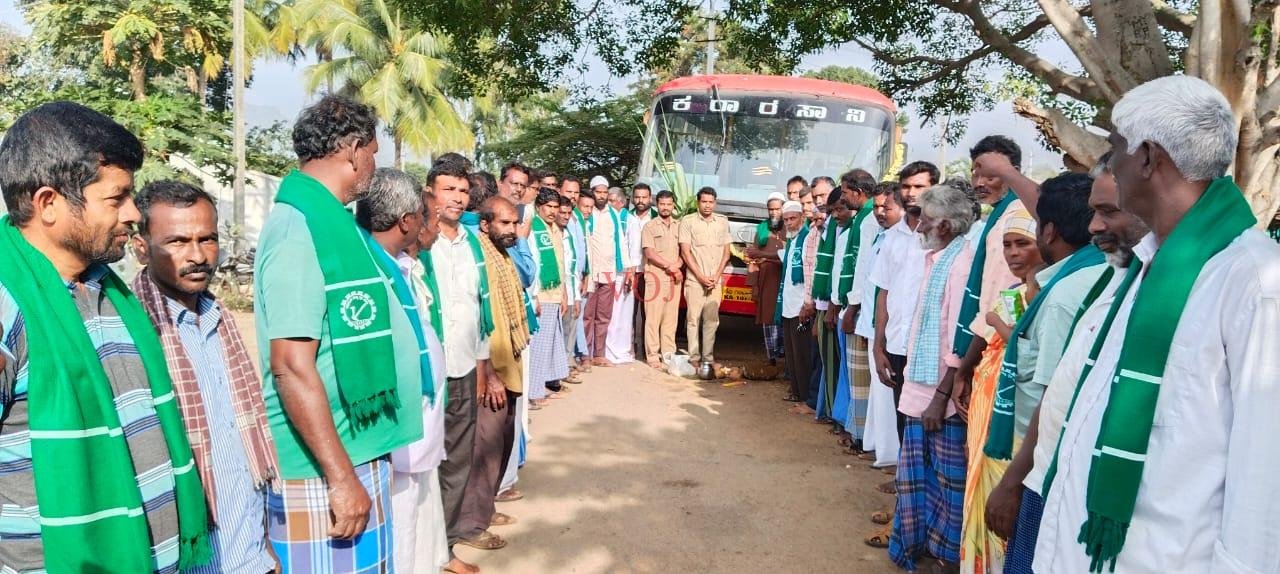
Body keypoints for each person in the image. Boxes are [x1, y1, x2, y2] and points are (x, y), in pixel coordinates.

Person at [1035, 76, 1280, 574]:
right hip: (1084, 551)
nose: (1111, 164)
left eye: (1116, 149)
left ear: (1148, 158)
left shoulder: (1253, 281)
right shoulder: (1148, 265)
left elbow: (1265, 472)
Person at [0, 102, 210, 573]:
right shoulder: (7, 303)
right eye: (116, 199)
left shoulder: (110, 291)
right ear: (49, 204)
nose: (134, 213)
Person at [255, 95, 424, 572]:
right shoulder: (298, 230)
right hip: (324, 469)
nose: (373, 163)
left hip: (354, 452)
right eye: (372, 151)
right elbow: (290, 366)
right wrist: (342, 478)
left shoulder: (329, 221)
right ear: (352, 150)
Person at [130, 181, 278, 574]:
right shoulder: (132, 332)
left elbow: (240, 445)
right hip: (185, 560)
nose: (197, 256)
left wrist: (261, 546)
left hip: (247, 552)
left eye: (207, 239)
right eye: (177, 242)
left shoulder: (220, 319)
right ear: (141, 247)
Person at [352, 168, 451, 574]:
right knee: (398, 520)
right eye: (424, 216)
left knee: (412, 513)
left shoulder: (396, 265)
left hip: (413, 421)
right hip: (393, 427)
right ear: (407, 221)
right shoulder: (370, 270)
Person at [888, 184, 977, 572]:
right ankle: (918, 543)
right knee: (916, 475)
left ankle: (945, 555)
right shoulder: (939, 258)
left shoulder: (960, 266)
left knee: (946, 482)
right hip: (921, 389)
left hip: (939, 396)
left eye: (924, 218)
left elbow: (961, 338)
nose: (919, 225)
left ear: (944, 225)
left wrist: (940, 398)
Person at [426, 161, 507, 556]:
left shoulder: (471, 243)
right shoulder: (421, 242)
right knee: (425, 464)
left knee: (458, 460)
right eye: (449, 190)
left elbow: (478, 313)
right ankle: (425, 550)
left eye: (462, 191)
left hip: (463, 367)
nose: (457, 198)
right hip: (427, 373)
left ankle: (447, 544)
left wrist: (482, 368)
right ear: (430, 193)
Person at [957, 206, 1042, 574]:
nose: (1013, 253)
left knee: (1003, 500)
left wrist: (995, 321)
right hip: (989, 404)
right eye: (1007, 245)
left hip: (1015, 414)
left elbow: (1027, 352)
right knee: (981, 486)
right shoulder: (1013, 291)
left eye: (1023, 243)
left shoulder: (1044, 295)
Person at [864, 161, 939, 545]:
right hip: (895, 347)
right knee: (904, 434)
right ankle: (904, 516)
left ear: (934, 188)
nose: (911, 193)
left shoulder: (944, 234)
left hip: (929, 354)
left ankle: (921, 526)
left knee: (927, 442)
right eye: (907, 186)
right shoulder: (893, 237)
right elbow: (884, 294)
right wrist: (878, 346)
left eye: (919, 186)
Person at [458, 197, 531, 553]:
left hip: (509, 363)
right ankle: (471, 526)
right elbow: (477, 322)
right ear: (485, 225)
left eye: (514, 223)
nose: (512, 230)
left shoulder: (503, 256)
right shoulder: (477, 258)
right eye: (504, 223)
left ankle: (484, 512)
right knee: (484, 452)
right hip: (492, 371)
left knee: (500, 445)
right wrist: (488, 374)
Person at [404, 187, 469, 573]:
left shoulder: (414, 268)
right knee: (407, 499)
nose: (436, 226)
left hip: (431, 397)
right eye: (431, 218)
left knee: (426, 489)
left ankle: (437, 558)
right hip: (412, 406)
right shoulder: (398, 270)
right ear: (410, 224)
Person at [946, 137, 1025, 428]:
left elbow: (998, 303)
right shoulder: (999, 214)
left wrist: (963, 370)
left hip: (997, 350)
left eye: (990, 175)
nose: (979, 183)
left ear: (1012, 173)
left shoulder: (1013, 218)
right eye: (975, 173)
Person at [857, 182, 904, 469]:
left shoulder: (902, 240)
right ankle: (878, 448)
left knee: (890, 397)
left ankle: (891, 458)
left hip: (890, 330)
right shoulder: (882, 237)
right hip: (874, 325)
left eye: (886, 207)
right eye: (876, 207)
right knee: (879, 393)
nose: (879, 212)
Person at [831, 170, 879, 445]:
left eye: (845, 192)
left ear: (858, 193)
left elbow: (862, 269)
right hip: (855, 305)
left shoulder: (868, 220)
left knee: (859, 378)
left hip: (860, 309)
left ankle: (860, 436)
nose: (843, 197)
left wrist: (851, 308)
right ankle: (855, 429)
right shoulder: (862, 218)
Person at [526, 188, 571, 408]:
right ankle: (533, 392)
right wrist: (533, 296)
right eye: (548, 207)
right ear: (539, 207)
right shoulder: (533, 228)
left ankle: (543, 385)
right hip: (541, 296)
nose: (553, 211)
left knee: (551, 344)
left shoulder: (555, 229)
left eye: (555, 207)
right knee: (539, 346)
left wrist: (563, 293)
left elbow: (561, 264)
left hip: (555, 294)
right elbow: (532, 264)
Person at [678, 186, 731, 369]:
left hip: (715, 281)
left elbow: (726, 253)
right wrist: (701, 277)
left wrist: (716, 276)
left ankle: (708, 358)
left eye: (711, 202)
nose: (707, 205)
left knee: (712, 321)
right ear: (698, 202)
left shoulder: (722, 222)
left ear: (715, 203)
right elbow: (685, 253)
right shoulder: (688, 221)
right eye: (704, 202)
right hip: (695, 281)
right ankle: (694, 357)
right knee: (693, 320)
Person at [583, 178, 631, 366]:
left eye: (605, 192)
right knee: (588, 315)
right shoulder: (587, 212)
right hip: (591, 272)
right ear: (592, 192)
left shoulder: (613, 214)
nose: (602, 196)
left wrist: (627, 268)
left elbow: (621, 241)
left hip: (609, 270)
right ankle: (585, 355)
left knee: (604, 315)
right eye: (599, 192)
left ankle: (599, 354)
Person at [642, 190, 685, 369]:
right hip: (656, 277)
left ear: (673, 205)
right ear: (657, 205)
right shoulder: (650, 226)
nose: (665, 207)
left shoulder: (679, 226)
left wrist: (678, 266)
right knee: (653, 318)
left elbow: (684, 252)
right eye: (662, 204)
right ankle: (652, 355)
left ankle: (668, 354)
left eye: (668, 204)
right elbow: (649, 253)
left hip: (674, 279)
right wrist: (671, 267)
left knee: (671, 319)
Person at [775, 200, 812, 404]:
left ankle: (805, 397)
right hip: (788, 304)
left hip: (801, 306)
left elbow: (810, 273)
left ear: (802, 218)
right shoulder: (791, 241)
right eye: (786, 219)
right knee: (791, 354)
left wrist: (807, 304)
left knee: (802, 354)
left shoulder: (807, 237)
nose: (789, 223)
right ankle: (796, 391)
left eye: (793, 218)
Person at [747, 192, 786, 365]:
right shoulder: (762, 228)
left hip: (785, 281)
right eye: (771, 209)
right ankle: (772, 358)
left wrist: (766, 257)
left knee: (784, 318)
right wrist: (754, 285)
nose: (774, 213)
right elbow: (752, 258)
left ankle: (785, 358)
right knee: (768, 318)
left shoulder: (791, 227)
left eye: (777, 209)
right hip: (767, 282)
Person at [605, 186, 640, 363]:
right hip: (608, 271)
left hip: (624, 273)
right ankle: (605, 350)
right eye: (608, 201)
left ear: (622, 202)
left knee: (622, 314)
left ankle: (619, 349)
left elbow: (634, 250)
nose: (610, 204)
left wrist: (630, 273)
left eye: (613, 201)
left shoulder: (630, 220)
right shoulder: (606, 218)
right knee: (608, 312)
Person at [555, 195, 585, 386]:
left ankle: (566, 367)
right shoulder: (551, 234)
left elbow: (573, 268)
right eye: (562, 212)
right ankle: (557, 372)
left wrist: (577, 296)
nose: (565, 216)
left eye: (568, 213)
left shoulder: (568, 234)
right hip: (557, 292)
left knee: (570, 331)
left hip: (572, 291)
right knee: (558, 333)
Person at [627, 183, 655, 361]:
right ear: (632, 198)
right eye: (637, 197)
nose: (640, 201)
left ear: (650, 198)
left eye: (644, 197)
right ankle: (628, 347)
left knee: (647, 312)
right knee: (629, 312)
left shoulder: (656, 218)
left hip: (650, 272)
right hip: (630, 271)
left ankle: (646, 350)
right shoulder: (626, 217)